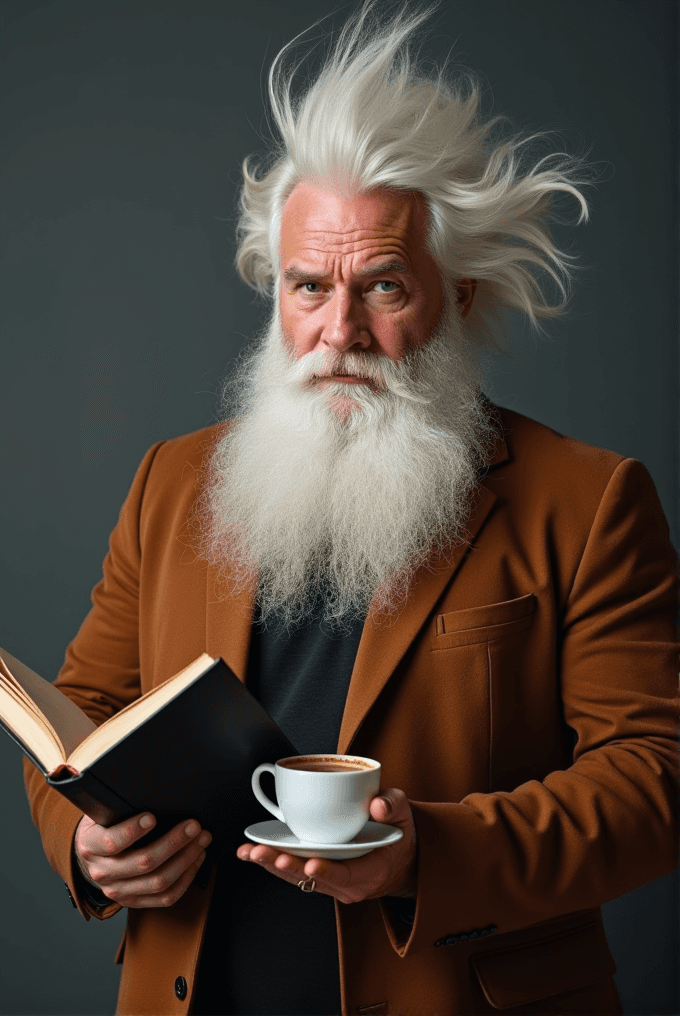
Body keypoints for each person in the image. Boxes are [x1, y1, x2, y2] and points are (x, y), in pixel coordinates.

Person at [24, 2, 679, 1014]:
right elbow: (83, 716)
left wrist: (430, 851)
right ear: (273, 292)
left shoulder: (584, 501)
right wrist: (86, 843)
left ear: (455, 294)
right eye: (305, 287)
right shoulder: (171, 481)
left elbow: (654, 778)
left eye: (381, 285)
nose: (340, 330)